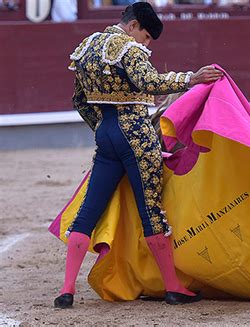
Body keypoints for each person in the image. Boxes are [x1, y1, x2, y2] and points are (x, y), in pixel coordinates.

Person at [54, 2, 223, 308]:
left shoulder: (87, 48)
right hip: (135, 133)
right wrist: (190, 79)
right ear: (132, 26)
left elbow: (79, 100)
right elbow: (149, 82)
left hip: (105, 133)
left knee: (88, 211)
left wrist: (103, 128)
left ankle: (67, 290)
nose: (146, 44)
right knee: (151, 209)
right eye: (145, 36)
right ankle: (173, 287)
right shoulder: (129, 49)